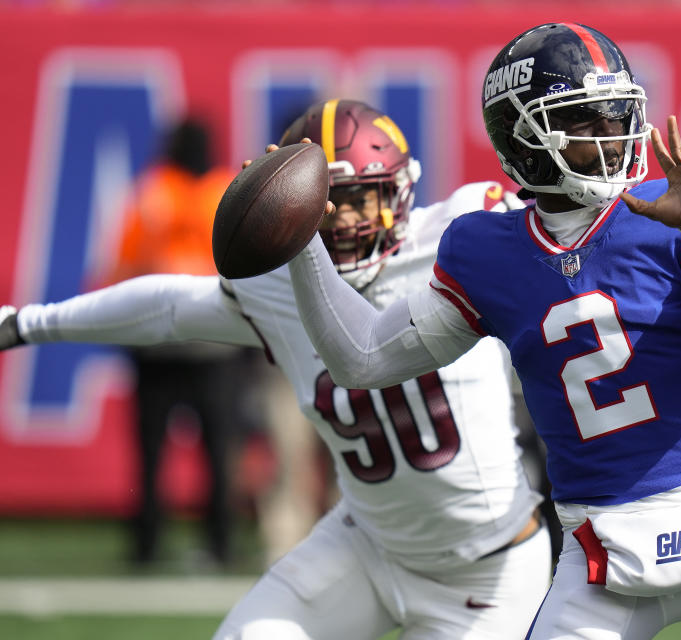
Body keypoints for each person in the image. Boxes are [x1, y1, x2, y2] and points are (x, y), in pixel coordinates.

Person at [283, 23, 681, 639]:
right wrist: (298, 239)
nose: (614, 134)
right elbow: (362, 359)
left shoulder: (679, 208)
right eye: (585, 120)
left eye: (617, 113)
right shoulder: (487, 252)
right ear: (523, 139)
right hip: (605, 558)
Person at [0, 99, 551, 639]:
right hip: (364, 545)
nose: (342, 221)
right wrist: (28, 323)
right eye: (325, 204)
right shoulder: (282, 287)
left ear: (400, 191)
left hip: (490, 566)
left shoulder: (460, 239)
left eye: (359, 199)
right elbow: (169, 308)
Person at [106, 117, 246, 567]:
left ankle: (148, 547)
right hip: (212, 340)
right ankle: (218, 544)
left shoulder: (152, 192)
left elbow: (124, 267)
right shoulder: (226, 191)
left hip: (162, 339)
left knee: (157, 454)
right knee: (217, 451)